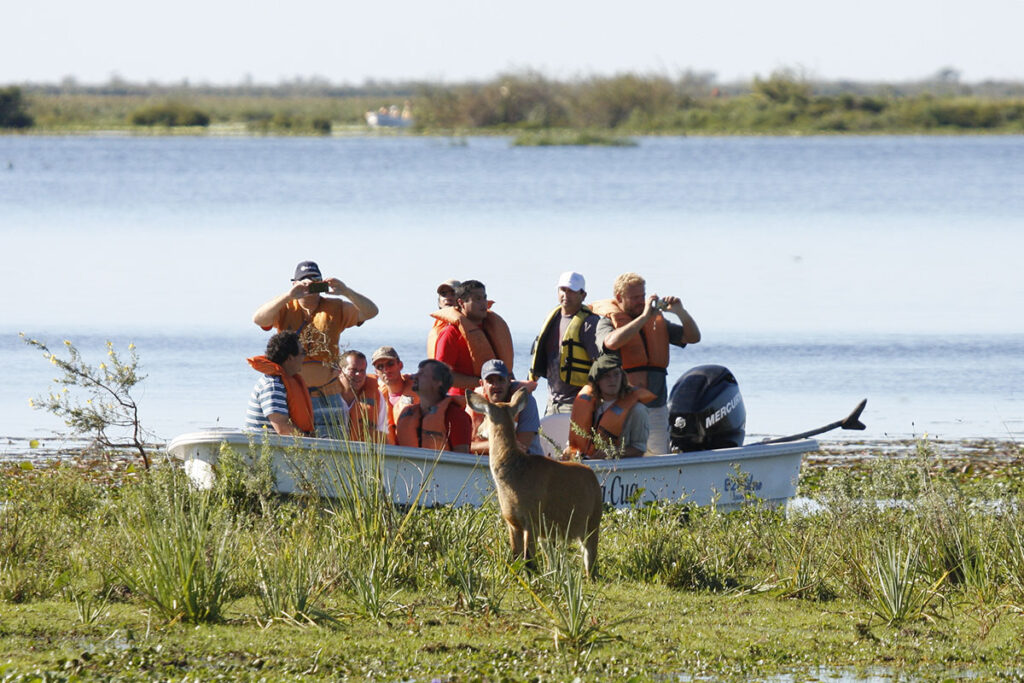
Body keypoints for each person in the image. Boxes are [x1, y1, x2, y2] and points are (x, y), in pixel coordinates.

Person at [252, 260, 379, 433]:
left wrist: (345, 291)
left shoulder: (337, 307)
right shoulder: (284, 307)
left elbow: (372, 311)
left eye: (315, 281)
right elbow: (258, 319)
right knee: (295, 445)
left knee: (333, 450)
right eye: (304, 282)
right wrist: (289, 295)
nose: (309, 287)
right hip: (293, 394)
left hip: (328, 394)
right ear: (294, 284)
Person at [592, 272, 701, 455]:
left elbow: (693, 337)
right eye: (634, 298)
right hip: (623, 407)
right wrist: (642, 318)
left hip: (656, 406)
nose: (641, 301)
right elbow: (611, 342)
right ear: (619, 297)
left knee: (659, 458)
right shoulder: (607, 321)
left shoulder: (656, 321)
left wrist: (680, 312)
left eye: (642, 296)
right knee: (623, 455)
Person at [528, 271, 601, 416]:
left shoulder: (589, 323)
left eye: (572, 291)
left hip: (577, 403)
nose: (566, 295)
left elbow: (599, 366)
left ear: (583, 295)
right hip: (551, 403)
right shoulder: (552, 318)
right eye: (563, 290)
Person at [429, 280, 514, 396]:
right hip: (464, 402)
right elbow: (441, 375)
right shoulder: (450, 334)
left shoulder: (492, 327)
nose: (483, 303)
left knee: (527, 396)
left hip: (494, 399)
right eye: (477, 299)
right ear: (461, 303)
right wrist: (482, 383)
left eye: (484, 298)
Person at [564, 354, 654, 460]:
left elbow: (639, 449)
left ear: (622, 377)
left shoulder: (637, 410)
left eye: (616, 374)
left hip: (622, 468)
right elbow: (574, 443)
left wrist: (614, 452)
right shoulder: (590, 405)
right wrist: (568, 452)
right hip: (587, 466)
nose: (612, 380)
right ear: (597, 381)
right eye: (606, 376)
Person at [244, 331, 314, 436]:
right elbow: (283, 429)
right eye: (302, 353)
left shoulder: (280, 381)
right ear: (290, 358)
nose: (304, 357)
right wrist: (313, 444)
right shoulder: (273, 385)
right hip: (264, 448)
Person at [469, 360, 544, 456]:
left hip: (526, 462)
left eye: (500, 380)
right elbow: (468, 446)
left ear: (509, 381)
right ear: (482, 384)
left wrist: (487, 446)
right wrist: (494, 445)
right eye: (490, 381)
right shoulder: (476, 402)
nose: (496, 385)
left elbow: (521, 447)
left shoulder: (524, 401)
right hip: (487, 461)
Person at [395, 359, 472, 452]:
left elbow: (462, 459)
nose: (414, 376)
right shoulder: (406, 414)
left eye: (422, 374)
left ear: (438, 382)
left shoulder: (457, 417)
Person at [331, 350, 387, 441]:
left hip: (363, 453)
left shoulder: (377, 397)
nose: (359, 374)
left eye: (362, 371)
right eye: (353, 370)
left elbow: (382, 435)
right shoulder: (325, 394)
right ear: (340, 371)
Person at [371, 345, 417, 444]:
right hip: (391, 455)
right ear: (376, 372)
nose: (386, 370)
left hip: (418, 454)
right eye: (380, 367)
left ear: (400, 365)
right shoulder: (376, 396)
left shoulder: (419, 389)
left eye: (390, 364)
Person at [426, 279, 460, 356]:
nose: (448, 297)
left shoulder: (467, 325)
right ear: (439, 302)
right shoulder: (438, 326)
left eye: (453, 293)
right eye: (443, 294)